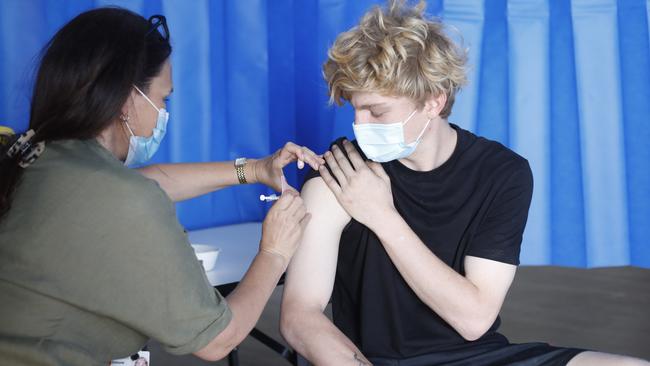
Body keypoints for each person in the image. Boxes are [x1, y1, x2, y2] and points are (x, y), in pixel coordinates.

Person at [279, 1, 649, 365]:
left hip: (481, 356)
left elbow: (474, 320)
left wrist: (382, 216)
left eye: (377, 111)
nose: (360, 126)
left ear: (433, 102)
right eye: (354, 108)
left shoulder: (503, 173)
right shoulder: (341, 174)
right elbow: (300, 317)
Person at [0, 8, 323, 365]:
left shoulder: (37, 158)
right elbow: (218, 341)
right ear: (127, 98)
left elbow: (148, 182)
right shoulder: (119, 197)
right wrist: (275, 252)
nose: (163, 112)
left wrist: (255, 169)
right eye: (163, 98)